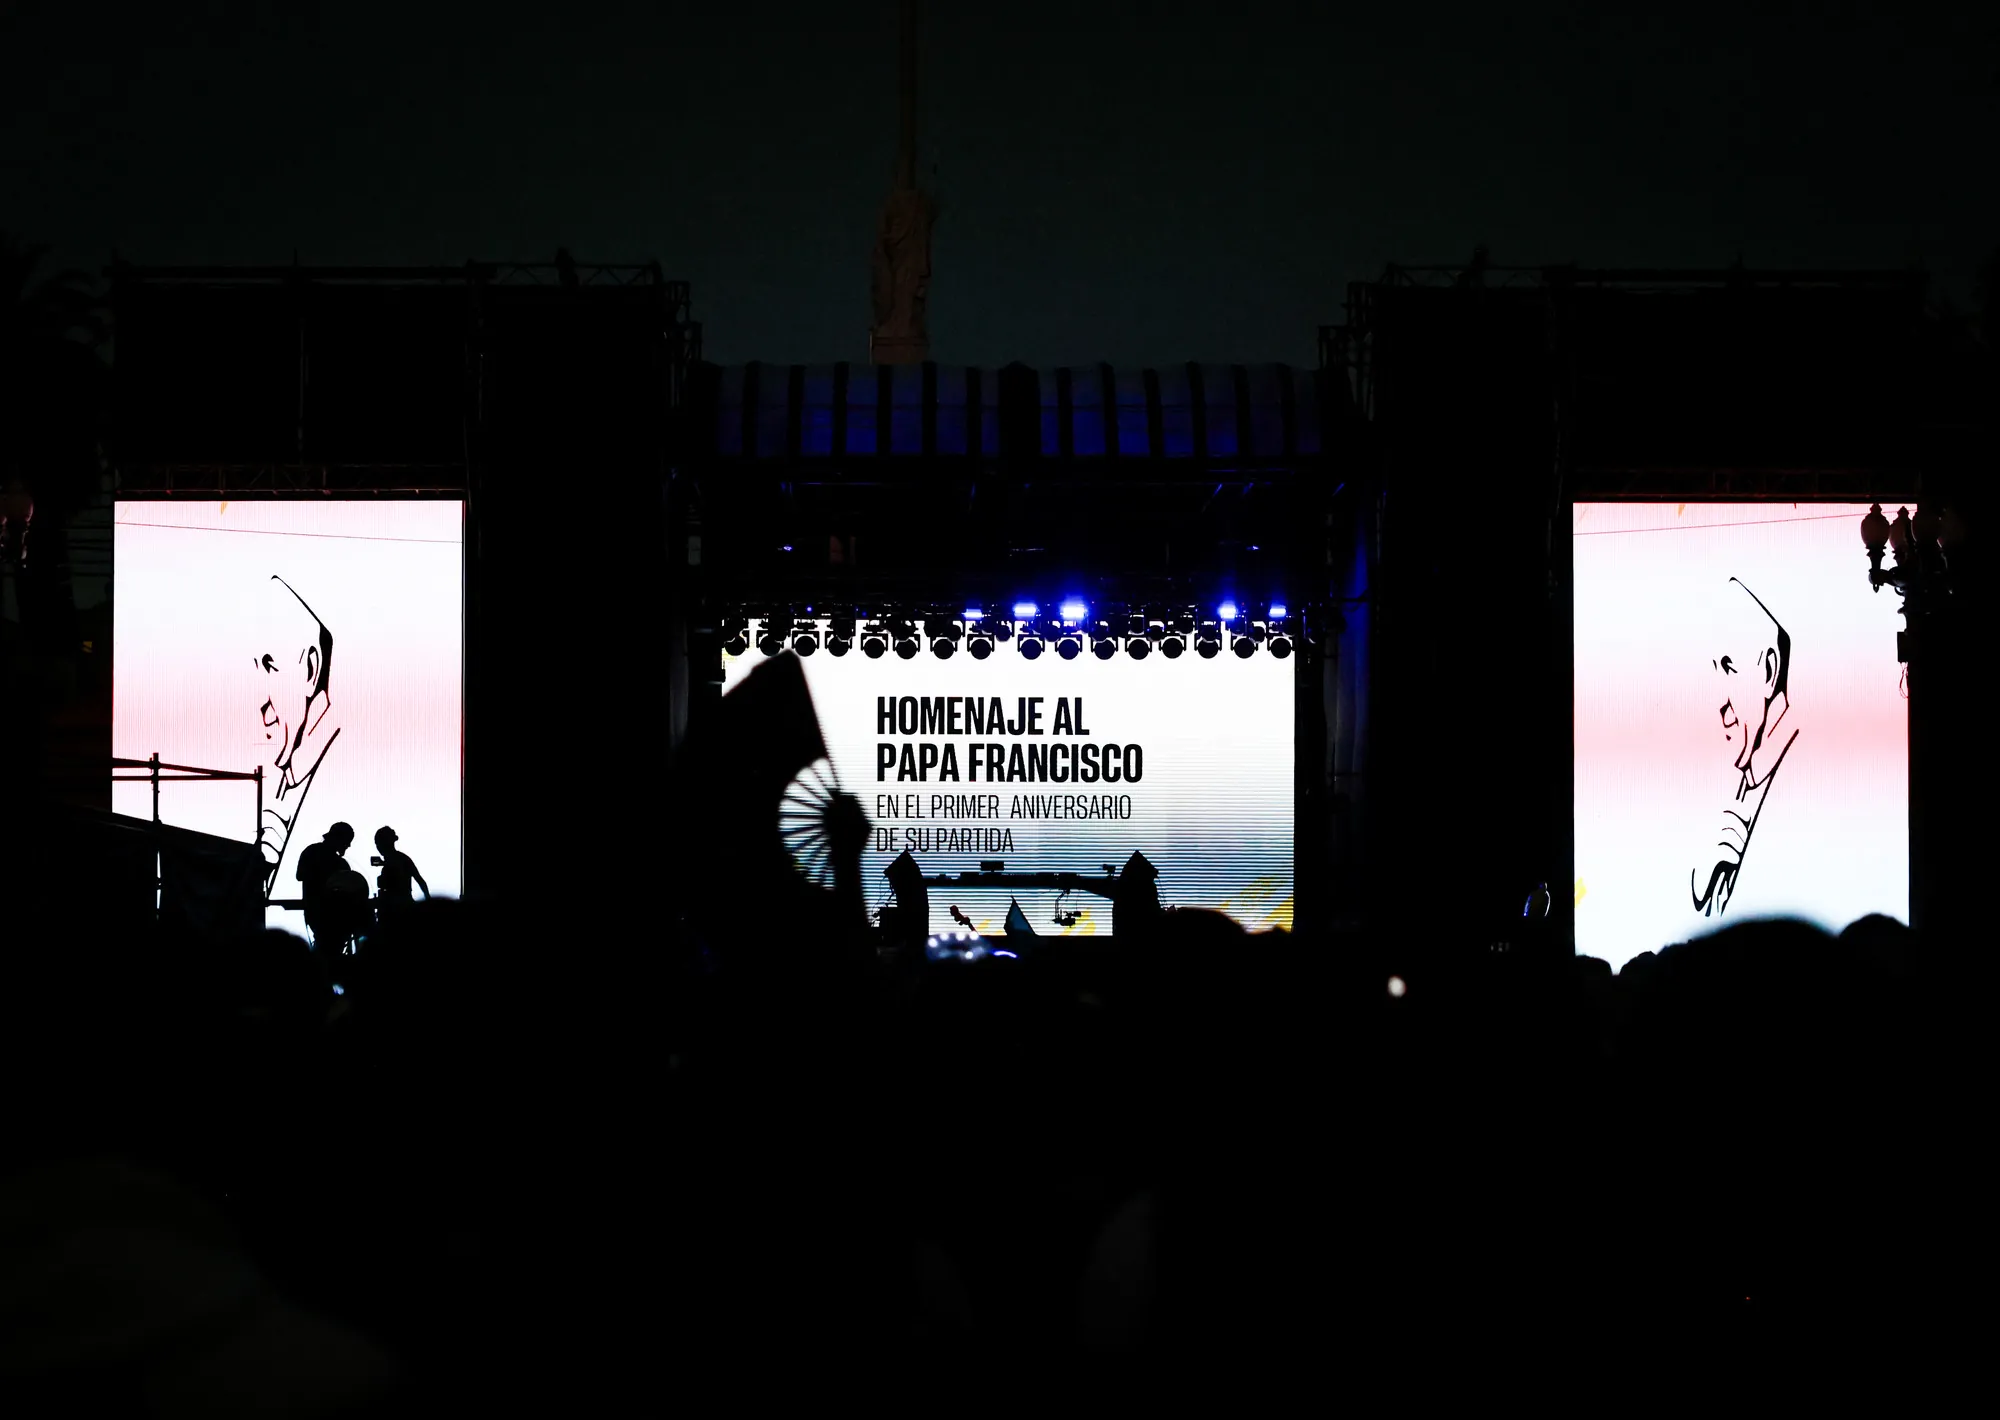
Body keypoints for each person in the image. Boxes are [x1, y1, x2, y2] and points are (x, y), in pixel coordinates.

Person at [1691, 577, 1798, 918]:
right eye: (1712, 672)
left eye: (1728, 667)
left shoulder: (1799, 771)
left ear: (1769, 670)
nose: (1719, 700)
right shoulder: (1749, 772)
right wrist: (1702, 881)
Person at [255, 575, 341, 899]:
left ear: (310, 670)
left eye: (269, 666)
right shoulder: (287, 766)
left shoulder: (336, 759)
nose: (260, 701)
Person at [296, 822, 366, 955]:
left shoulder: (311, 852)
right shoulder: (339, 863)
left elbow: (300, 876)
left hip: (318, 913)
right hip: (328, 916)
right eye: (347, 841)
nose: (348, 845)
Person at [371, 826, 429, 921]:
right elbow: (420, 880)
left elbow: (419, 881)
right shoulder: (402, 859)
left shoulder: (399, 860)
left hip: (397, 911)